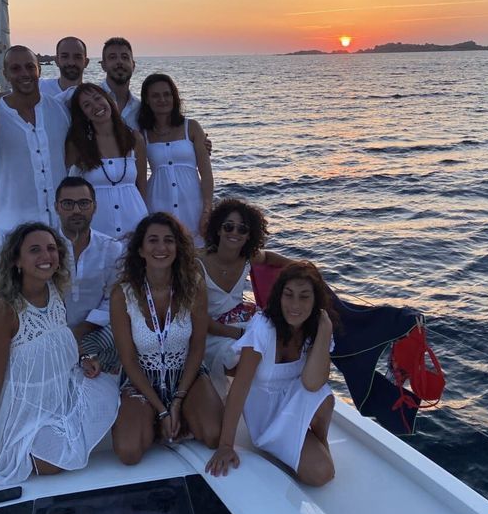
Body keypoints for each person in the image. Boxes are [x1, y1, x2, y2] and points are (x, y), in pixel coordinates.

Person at [0, 222, 119, 496]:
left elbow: (54, 341)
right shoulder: (1, 309)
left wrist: (81, 358)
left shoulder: (53, 289)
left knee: (107, 397)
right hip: (21, 406)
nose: (47, 256)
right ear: (16, 260)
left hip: (56, 394)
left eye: (52, 249)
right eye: (35, 250)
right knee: (53, 463)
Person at [0, 161, 122, 352]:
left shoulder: (112, 249)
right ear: (57, 207)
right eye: (68, 204)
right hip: (44, 335)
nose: (76, 210)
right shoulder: (40, 248)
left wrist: (82, 331)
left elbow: (113, 298)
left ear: (94, 207)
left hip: (93, 334)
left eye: (84, 203)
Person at [206, 262, 337, 487]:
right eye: (289, 295)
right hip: (266, 418)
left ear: (316, 301)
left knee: (325, 398)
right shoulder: (263, 328)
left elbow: (313, 383)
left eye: (304, 296)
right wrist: (226, 445)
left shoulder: (315, 327)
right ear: (279, 296)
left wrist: (325, 328)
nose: (295, 305)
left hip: (293, 401)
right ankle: (291, 444)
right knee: (321, 474)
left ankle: (319, 439)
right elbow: (240, 387)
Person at [110, 213, 223, 465]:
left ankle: (179, 411)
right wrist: (161, 408)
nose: (161, 248)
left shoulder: (194, 285)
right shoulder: (122, 294)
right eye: (153, 240)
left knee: (214, 436)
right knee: (128, 452)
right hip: (143, 380)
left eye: (169, 240)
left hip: (187, 374)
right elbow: (128, 359)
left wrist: (178, 398)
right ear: (140, 249)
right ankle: (155, 416)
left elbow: (197, 348)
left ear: (178, 247)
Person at [0, 44, 70, 232]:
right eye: (15, 68)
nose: (24, 73)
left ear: (39, 69)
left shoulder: (60, 110)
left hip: (60, 230)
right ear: (5, 74)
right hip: (13, 232)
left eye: (30, 66)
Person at [197, 198, 292, 392]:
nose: (234, 233)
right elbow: (201, 321)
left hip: (240, 323)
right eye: (228, 226)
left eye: (242, 229)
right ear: (218, 229)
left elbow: (269, 257)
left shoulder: (247, 257)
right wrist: (244, 335)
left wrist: (302, 268)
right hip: (209, 333)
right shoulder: (198, 264)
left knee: (285, 347)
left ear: (249, 235)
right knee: (248, 359)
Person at [139, 73, 213, 248]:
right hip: (158, 200)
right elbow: (140, 179)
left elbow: (207, 174)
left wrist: (207, 210)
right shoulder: (143, 135)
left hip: (192, 201)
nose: (162, 99)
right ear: (147, 100)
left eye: (167, 94)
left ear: (174, 97)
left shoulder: (191, 127)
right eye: (155, 95)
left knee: (198, 252)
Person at [66, 83, 148, 239]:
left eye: (98, 98)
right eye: (87, 105)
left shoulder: (134, 138)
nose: (96, 106)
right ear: (83, 114)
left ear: (108, 100)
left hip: (135, 222)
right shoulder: (77, 145)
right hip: (97, 228)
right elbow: (70, 189)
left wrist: (146, 223)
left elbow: (142, 183)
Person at [100, 37, 141, 131]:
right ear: (103, 66)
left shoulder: (139, 107)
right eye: (112, 57)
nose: (119, 62)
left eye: (125, 57)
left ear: (133, 65)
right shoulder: (91, 101)